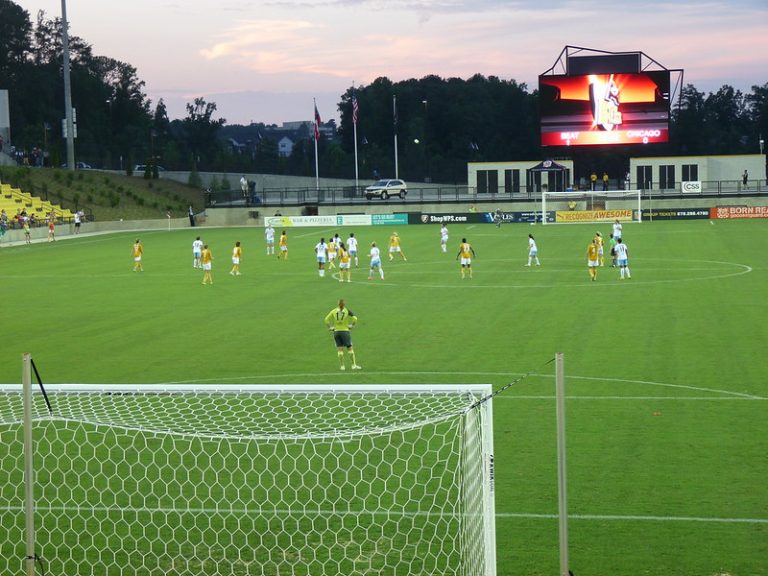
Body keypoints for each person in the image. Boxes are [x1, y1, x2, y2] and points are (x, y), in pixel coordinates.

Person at [324, 298, 361, 371]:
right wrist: (352, 325)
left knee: (340, 350)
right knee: (350, 349)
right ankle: (353, 365)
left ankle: (342, 366)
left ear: (338, 304)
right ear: (344, 305)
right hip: (345, 332)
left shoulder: (334, 311)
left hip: (336, 332)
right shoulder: (347, 311)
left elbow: (326, 320)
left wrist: (330, 327)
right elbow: (355, 318)